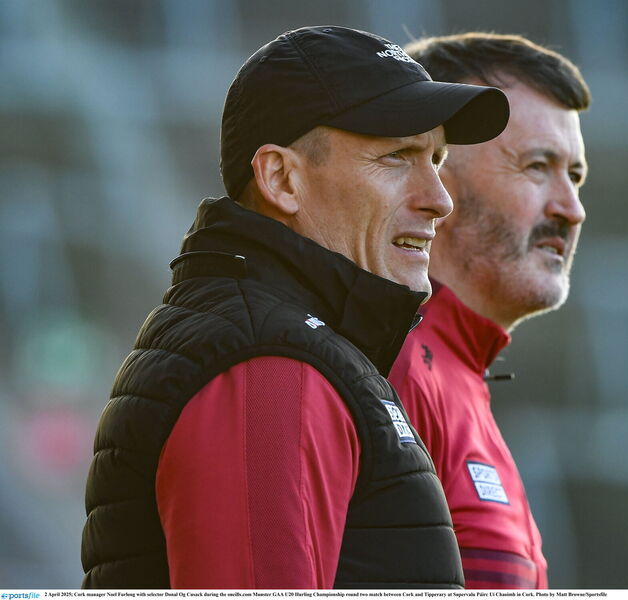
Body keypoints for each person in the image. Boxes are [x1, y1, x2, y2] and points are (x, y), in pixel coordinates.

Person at [80, 25, 509, 589]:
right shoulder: (268, 365)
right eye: (399, 156)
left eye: (437, 158)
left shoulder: (285, 347)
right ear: (281, 178)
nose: (439, 198)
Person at [388, 33, 591, 589]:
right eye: (537, 166)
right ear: (434, 179)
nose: (570, 209)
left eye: (574, 176)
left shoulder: (455, 373)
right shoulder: (395, 366)